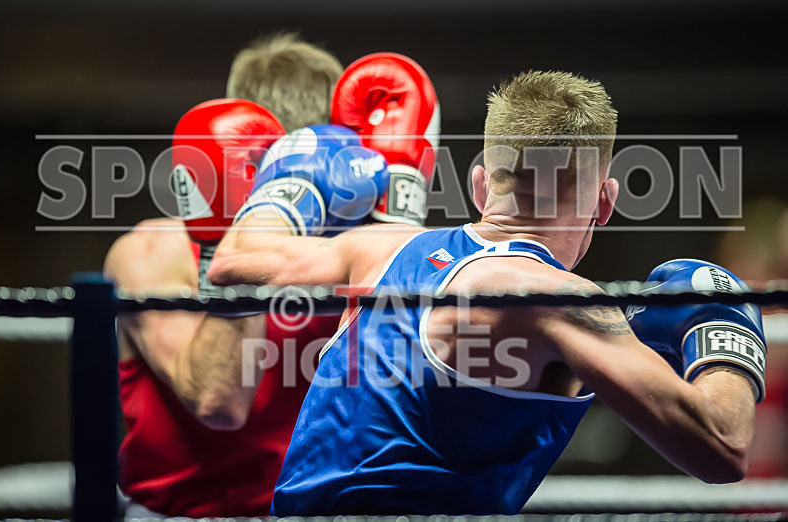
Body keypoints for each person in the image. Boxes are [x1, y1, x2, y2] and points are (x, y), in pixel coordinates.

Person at [208, 70, 766, 515]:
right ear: (604, 202)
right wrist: (724, 328)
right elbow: (721, 446)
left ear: (480, 185)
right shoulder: (560, 302)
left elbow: (234, 263)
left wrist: (293, 185)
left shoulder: (381, 249)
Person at [103, 34, 345, 517]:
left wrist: (397, 220)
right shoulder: (153, 252)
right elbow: (219, 402)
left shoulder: (351, 248)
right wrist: (240, 235)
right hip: (187, 515)